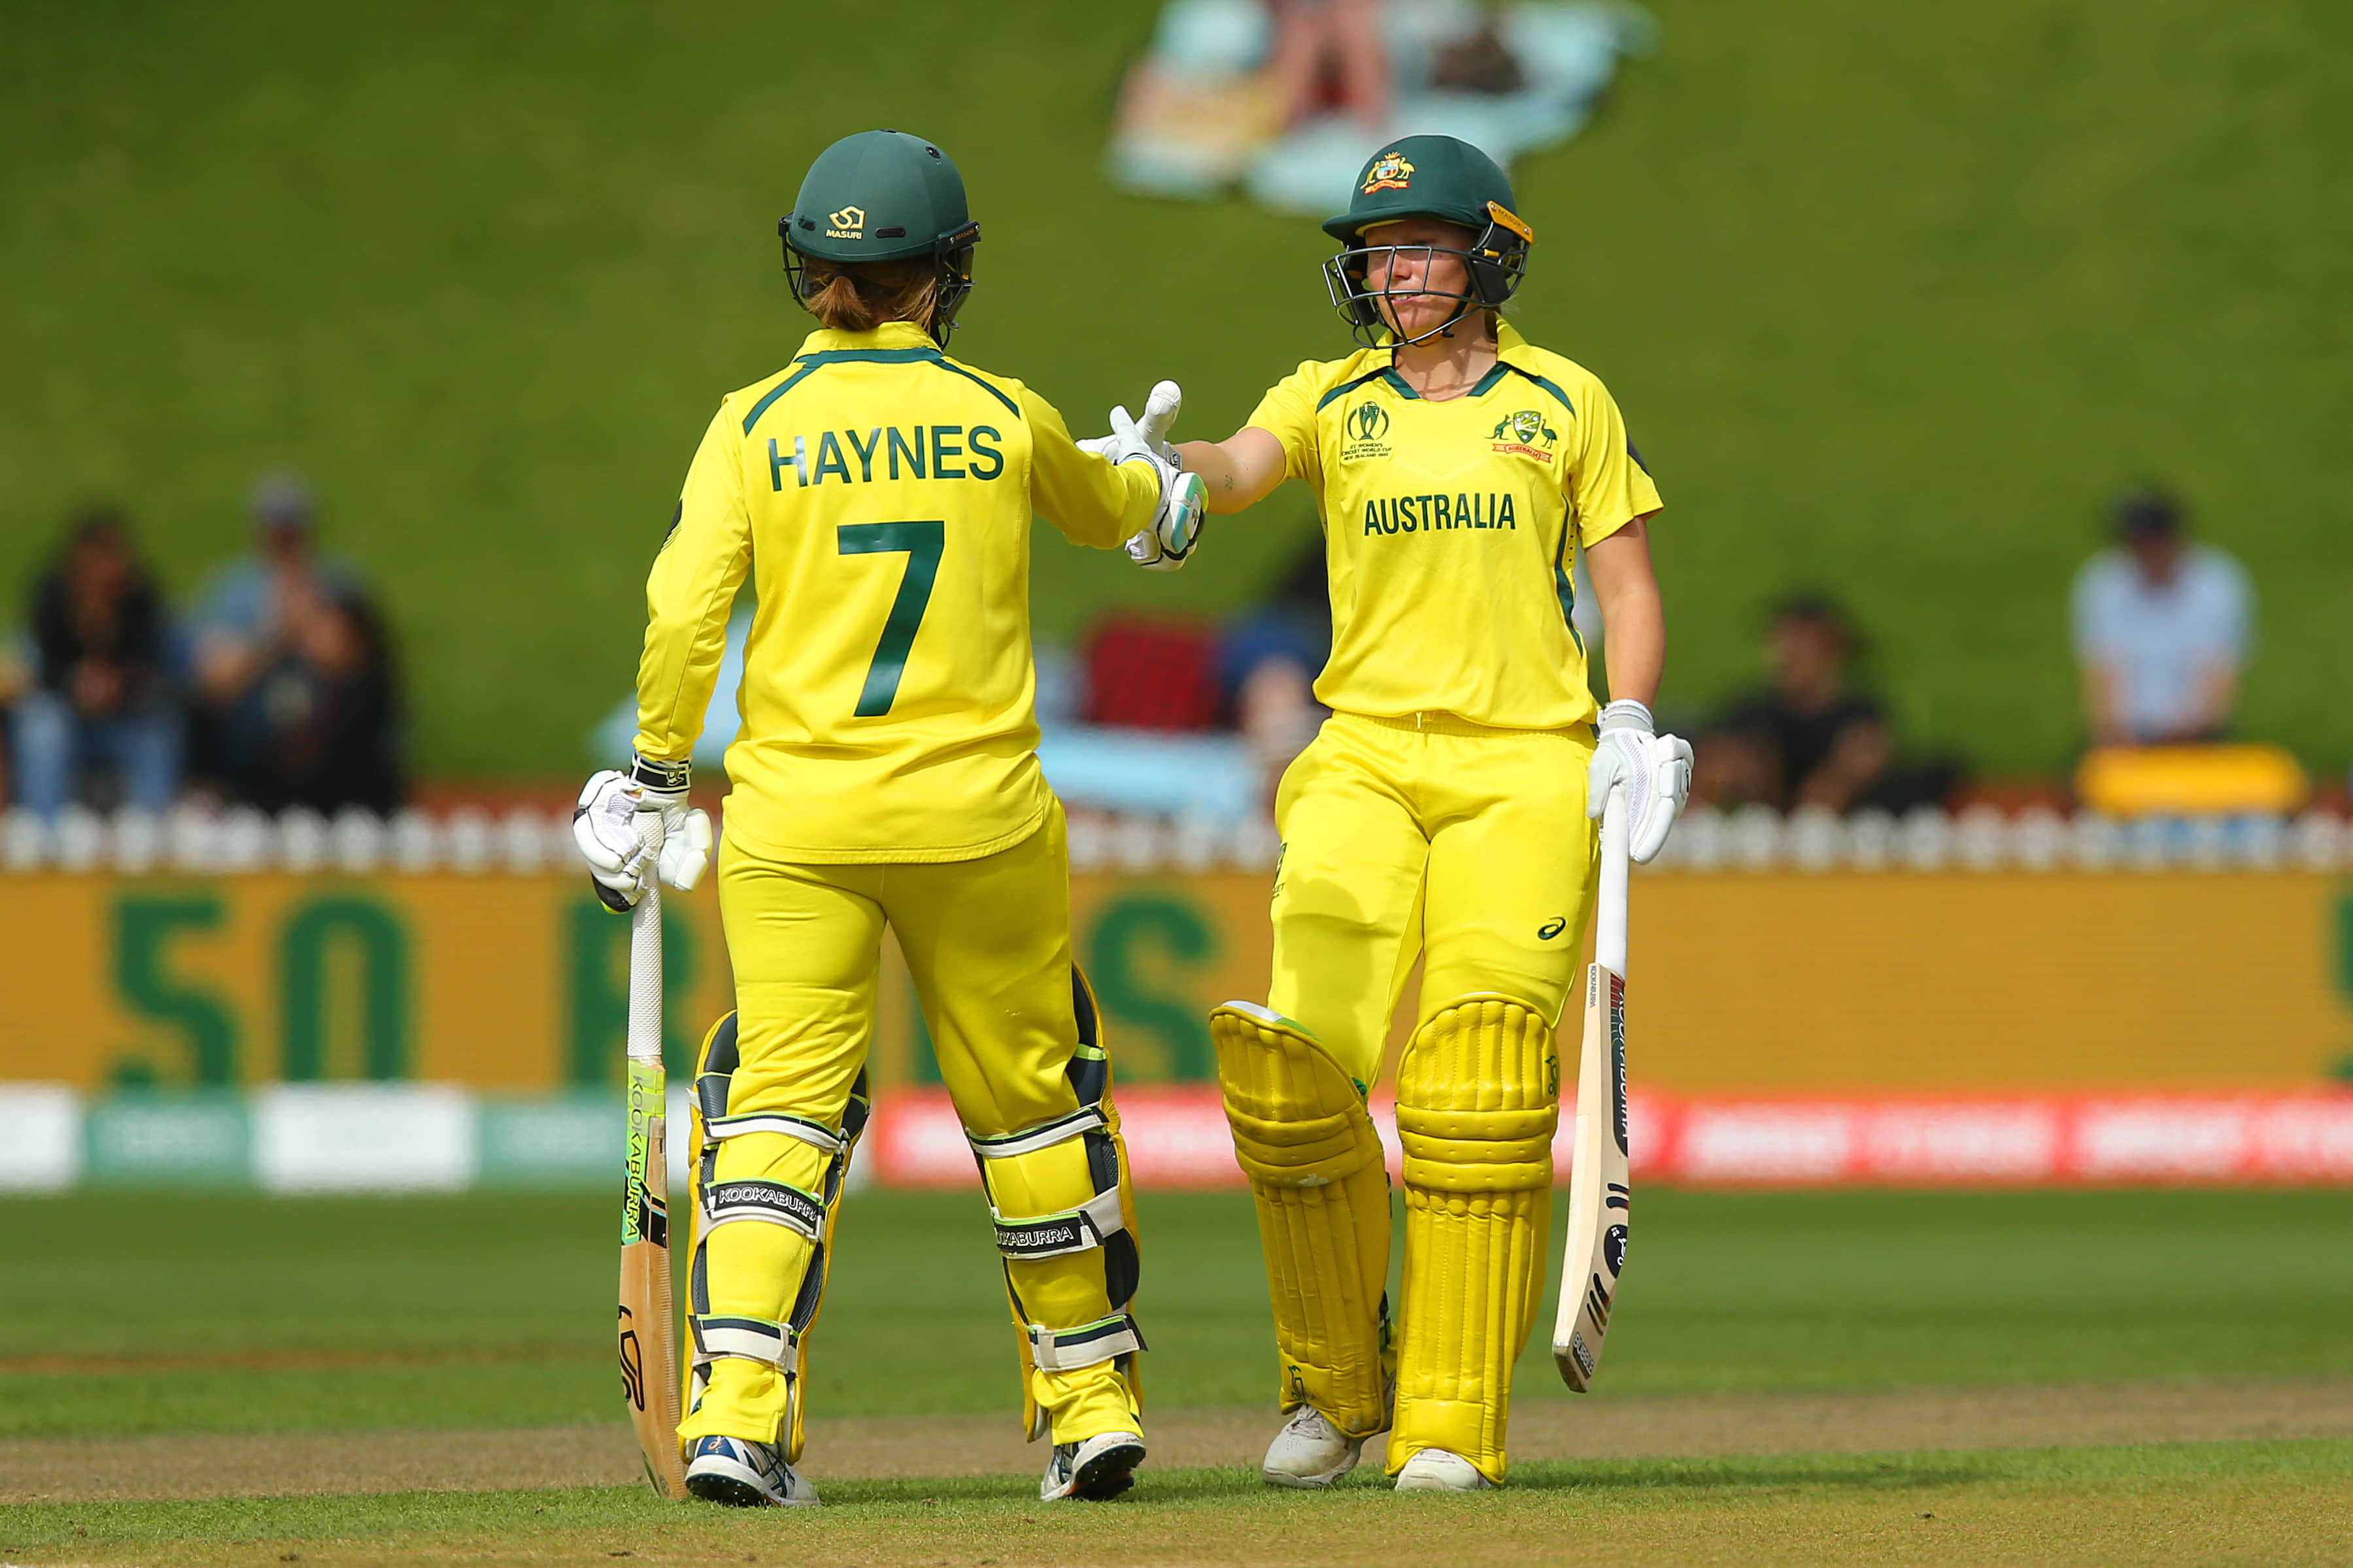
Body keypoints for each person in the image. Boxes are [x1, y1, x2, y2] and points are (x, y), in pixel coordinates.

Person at [570, 129, 1204, 1509]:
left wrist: (657, 776)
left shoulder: (751, 422)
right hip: (980, 821)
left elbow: (684, 615)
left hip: (798, 822)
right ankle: (1088, 1403)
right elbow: (1118, 509)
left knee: (779, 1114)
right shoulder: (1000, 413)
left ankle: (737, 1418)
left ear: (810, 269)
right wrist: (1162, 493)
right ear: (943, 273)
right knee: (1034, 1110)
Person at [1157, 135, 1692, 1492]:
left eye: (1419, 248)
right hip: (1360, 759)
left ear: (1488, 254)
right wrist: (1168, 478)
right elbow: (1236, 460)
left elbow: (1623, 590)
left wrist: (1626, 719)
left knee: (1477, 1083)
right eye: (1376, 253)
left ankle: (1447, 1416)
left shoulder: (1562, 400)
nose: (1392, 273)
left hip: (1522, 763)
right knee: (1290, 1079)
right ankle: (1332, 1396)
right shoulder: (1334, 397)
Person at [188, 472, 361, 788]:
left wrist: (310, 631)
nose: (285, 535)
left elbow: (358, 672)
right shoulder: (232, 592)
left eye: (293, 524)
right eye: (277, 524)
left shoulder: (339, 585)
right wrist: (275, 637)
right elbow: (213, 685)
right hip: (246, 753)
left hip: (327, 753)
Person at [12, 504, 182, 819]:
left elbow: (153, 665)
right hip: (67, 716)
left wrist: (118, 685)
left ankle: (152, 825)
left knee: (158, 728)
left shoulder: (140, 597)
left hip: (126, 717)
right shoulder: (52, 594)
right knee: (41, 725)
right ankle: (43, 826)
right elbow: (43, 667)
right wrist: (75, 683)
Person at [2071, 487, 2253, 746]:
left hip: (2196, 736)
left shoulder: (2218, 584)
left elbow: (2218, 675)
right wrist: (2112, 732)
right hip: (2124, 738)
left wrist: (2192, 729)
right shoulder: (2103, 583)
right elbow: (2103, 672)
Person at [216, 586, 405, 814]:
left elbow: (331, 769)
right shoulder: (320, 686)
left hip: (353, 813)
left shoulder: (366, 695)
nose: (312, 641)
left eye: (324, 632)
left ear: (353, 640)